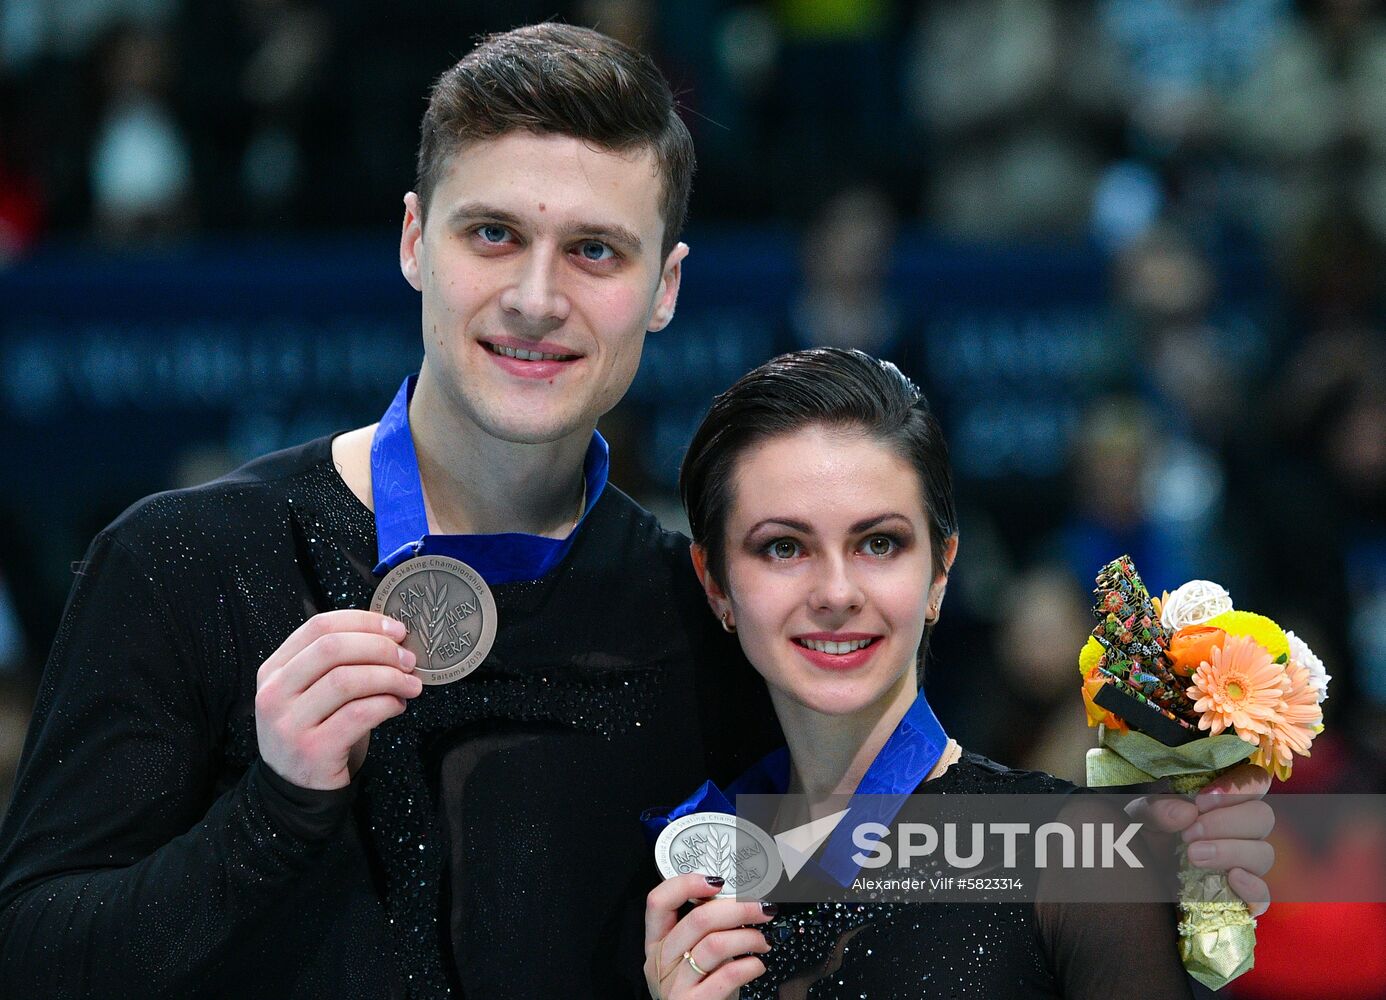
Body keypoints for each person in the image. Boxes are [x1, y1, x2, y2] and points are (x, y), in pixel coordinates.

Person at [0, 23, 1272, 1000]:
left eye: (595, 251)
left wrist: (1168, 857)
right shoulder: (185, 562)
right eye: (492, 234)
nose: (539, 297)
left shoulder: (701, 619)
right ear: (411, 241)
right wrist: (270, 809)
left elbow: (891, 854)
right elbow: (34, 959)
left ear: (663, 289)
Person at [643, 348, 1277, 999]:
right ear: (716, 585)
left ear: (940, 573)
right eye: (783, 547)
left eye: (878, 543)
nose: (836, 592)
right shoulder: (693, 880)